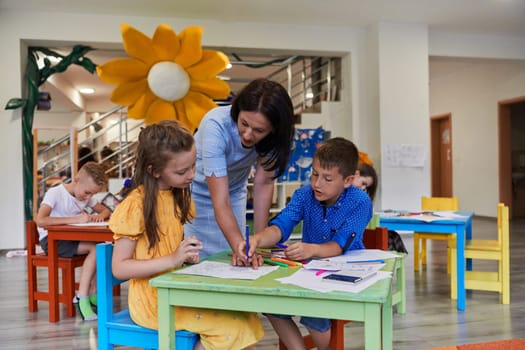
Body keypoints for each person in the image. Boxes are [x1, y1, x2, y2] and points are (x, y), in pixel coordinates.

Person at [109, 120, 264, 350]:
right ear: (154, 170)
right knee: (232, 327)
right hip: (153, 302)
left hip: (174, 290)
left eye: (194, 165)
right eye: (182, 171)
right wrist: (172, 259)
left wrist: (185, 256)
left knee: (244, 315)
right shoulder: (135, 205)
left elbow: (166, 245)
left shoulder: (173, 195)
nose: (192, 175)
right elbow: (119, 268)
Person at [233, 137, 373, 350]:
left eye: (327, 178)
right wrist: (256, 239)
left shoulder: (360, 202)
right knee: (271, 303)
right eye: (315, 174)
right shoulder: (304, 195)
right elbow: (281, 226)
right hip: (310, 272)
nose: (317, 183)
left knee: (314, 311)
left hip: (346, 274)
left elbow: (338, 246)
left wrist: (311, 249)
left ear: (347, 180)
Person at [184, 78, 295, 258]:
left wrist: (258, 243)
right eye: (244, 123)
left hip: (234, 191)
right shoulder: (216, 125)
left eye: (259, 130)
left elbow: (263, 184)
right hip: (196, 192)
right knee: (200, 256)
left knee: (236, 254)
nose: (248, 135)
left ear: (274, 129)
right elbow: (220, 201)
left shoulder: (277, 138)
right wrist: (240, 246)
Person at [36, 161, 111, 321]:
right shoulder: (55, 193)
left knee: (103, 246)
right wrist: (76, 218)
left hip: (71, 238)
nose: (89, 197)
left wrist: (99, 216)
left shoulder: (85, 197)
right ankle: (82, 297)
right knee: (95, 248)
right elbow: (40, 220)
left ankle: (91, 291)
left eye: (92, 194)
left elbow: (106, 210)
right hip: (52, 241)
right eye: (87, 192)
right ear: (76, 180)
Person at [352, 162, 408, 254]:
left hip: (362, 235)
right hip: (359, 238)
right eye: (363, 183)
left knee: (394, 236)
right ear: (356, 174)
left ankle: (394, 262)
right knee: (392, 238)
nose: (362, 188)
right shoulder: (348, 196)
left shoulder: (360, 198)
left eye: (366, 187)